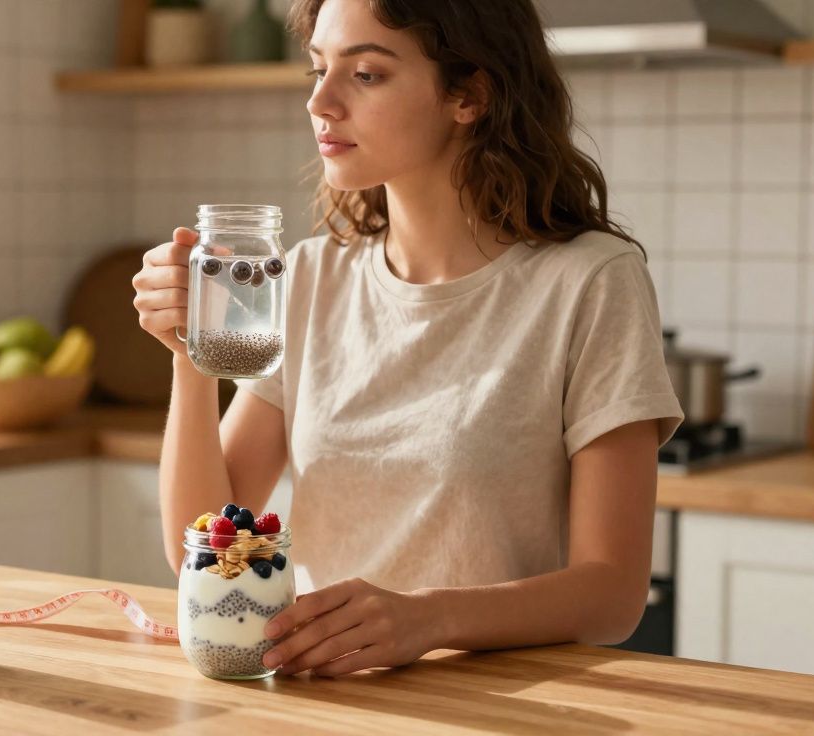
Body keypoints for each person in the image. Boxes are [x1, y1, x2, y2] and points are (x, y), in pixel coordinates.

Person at [133, 0, 684, 677]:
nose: (321, 102)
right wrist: (192, 359)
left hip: (501, 710)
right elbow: (201, 544)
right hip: (326, 702)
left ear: (468, 95)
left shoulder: (591, 281)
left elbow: (612, 595)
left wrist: (429, 618)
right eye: (317, 69)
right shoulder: (308, 277)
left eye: (364, 74)